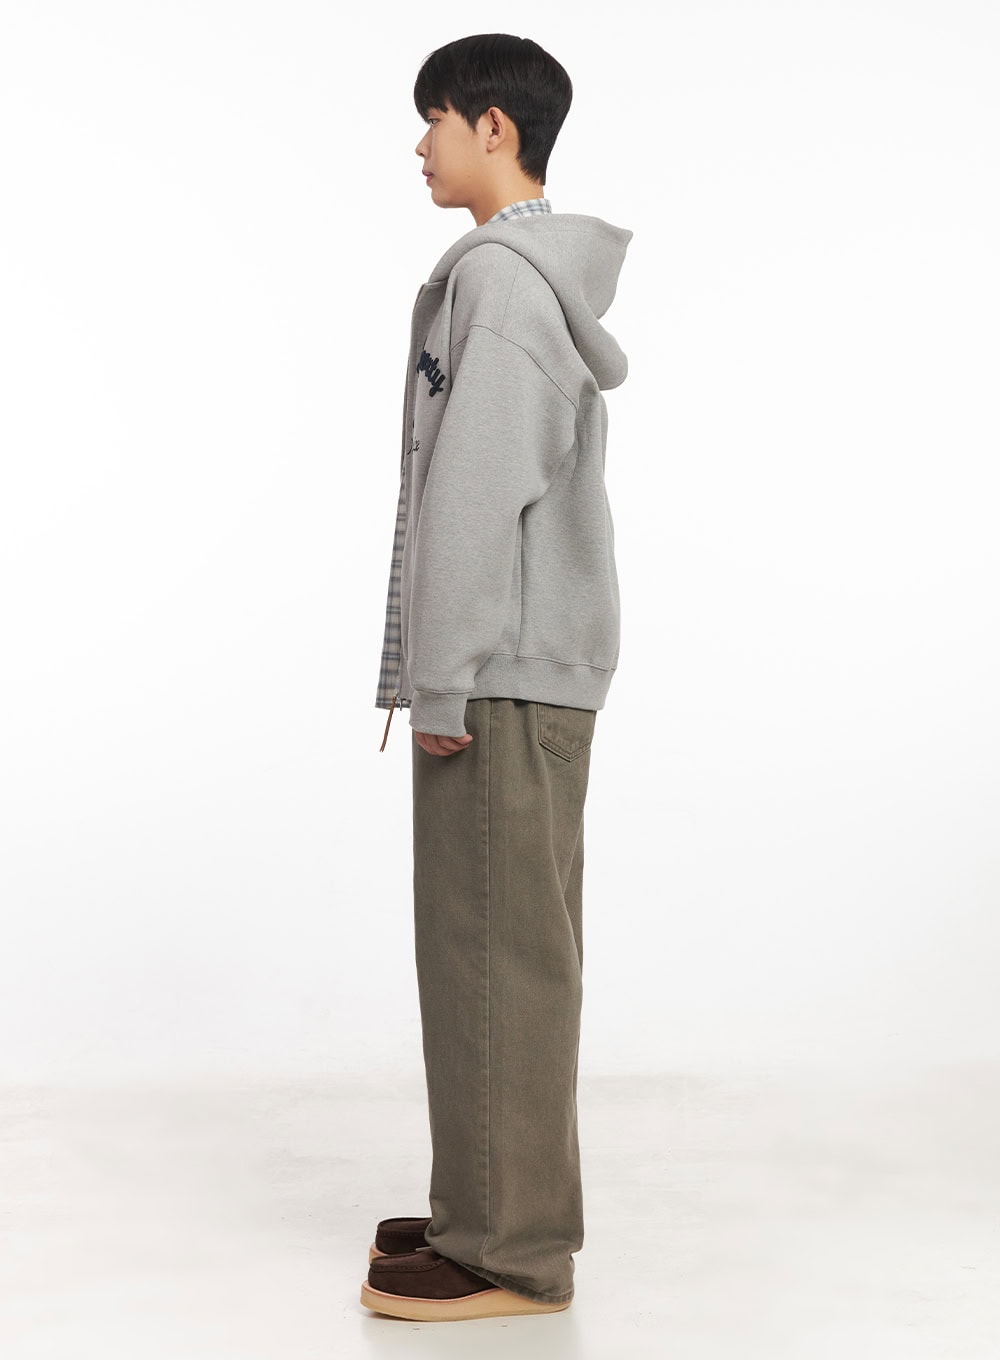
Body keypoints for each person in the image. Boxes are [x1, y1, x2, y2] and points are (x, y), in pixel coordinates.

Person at [360, 32, 633, 1323]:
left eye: (435, 120)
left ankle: (510, 1252)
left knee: (494, 955)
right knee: (496, 947)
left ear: (495, 131)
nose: (420, 146)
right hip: (521, 671)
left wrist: (443, 678)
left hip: (500, 680)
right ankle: (483, 1203)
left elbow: (478, 490)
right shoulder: (517, 280)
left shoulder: (504, 286)